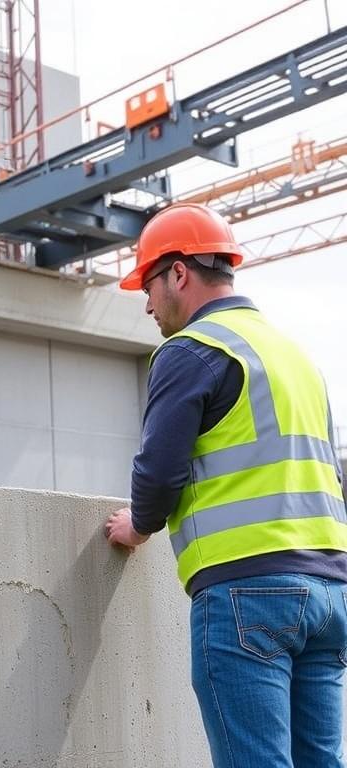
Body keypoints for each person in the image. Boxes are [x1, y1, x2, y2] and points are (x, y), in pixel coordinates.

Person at [103, 202, 347, 768]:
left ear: (180, 273)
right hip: (331, 593)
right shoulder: (295, 355)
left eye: (148, 283)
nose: (146, 303)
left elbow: (158, 471)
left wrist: (136, 527)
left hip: (247, 592)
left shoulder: (191, 350)